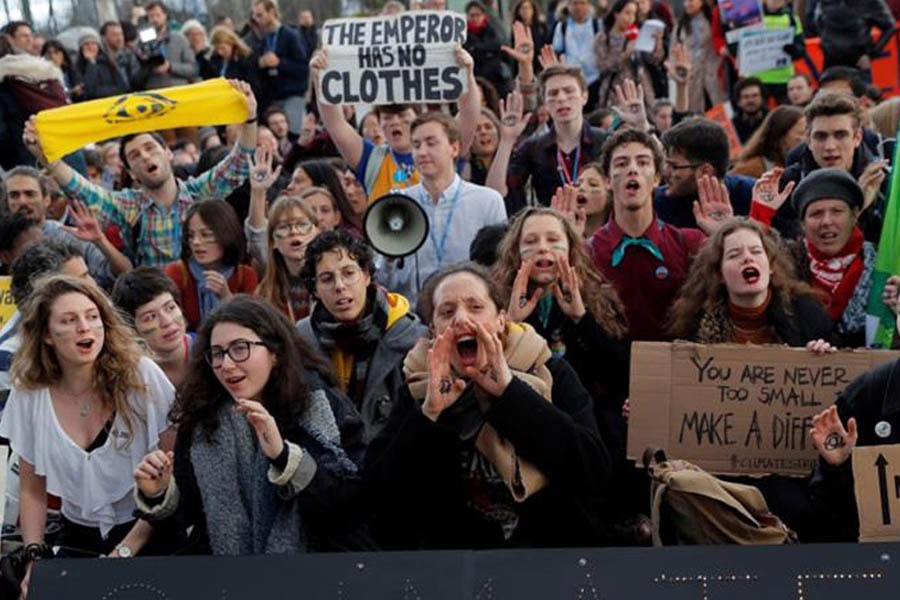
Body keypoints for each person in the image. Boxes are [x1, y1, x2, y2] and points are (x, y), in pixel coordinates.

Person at [364, 263, 613, 549]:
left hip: (549, 555)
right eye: (447, 312)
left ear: (501, 320)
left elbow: (594, 471)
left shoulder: (549, 371)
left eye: (475, 307)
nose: (461, 320)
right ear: (433, 331)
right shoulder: (419, 385)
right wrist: (430, 415)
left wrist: (511, 395)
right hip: (453, 567)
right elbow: (380, 503)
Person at [133, 295, 365, 554]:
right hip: (228, 581)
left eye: (240, 348)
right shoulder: (203, 416)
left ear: (274, 352)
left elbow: (350, 505)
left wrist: (284, 457)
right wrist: (159, 493)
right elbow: (188, 520)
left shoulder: (318, 405)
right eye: (218, 353)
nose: (227, 365)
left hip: (314, 573)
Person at [0, 275, 177, 595]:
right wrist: (34, 558)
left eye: (93, 316)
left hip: (148, 528)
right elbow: (32, 487)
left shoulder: (143, 376)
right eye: (69, 320)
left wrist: (124, 550)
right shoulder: (30, 393)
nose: (85, 327)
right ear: (47, 335)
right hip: (76, 533)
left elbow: (174, 475)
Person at [23, 79, 258, 267]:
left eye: (150, 148)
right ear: (131, 173)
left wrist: (249, 118)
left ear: (167, 154)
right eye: (135, 156)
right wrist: (49, 160)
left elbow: (239, 163)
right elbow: (84, 191)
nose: (145, 156)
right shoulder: (128, 206)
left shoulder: (199, 192)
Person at [493, 206, 629, 450]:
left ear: (570, 248)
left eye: (553, 239)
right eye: (531, 241)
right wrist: (511, 325)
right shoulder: (494, 303)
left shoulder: (599, 299)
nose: (543, 248)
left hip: (586, 430)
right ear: (516, 252)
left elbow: (619, 375)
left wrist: (582, 319)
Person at [588, 128, 732, 341]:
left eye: (643, 162)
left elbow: (733, 293)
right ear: (608, 180)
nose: (632, 170)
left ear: (656, 178)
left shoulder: (690, 244)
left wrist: (723, 237)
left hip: (673, 369)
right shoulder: (588, 252)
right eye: (621, 163)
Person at [298, 230, 427, 442]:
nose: (340, 286)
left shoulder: (411, 338)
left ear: (366, 275)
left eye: (349, 273)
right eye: (327, 278)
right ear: (315, 288)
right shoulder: (301, 341)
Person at [311, 46, 480, 201]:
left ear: (417, 118)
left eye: (401, 115)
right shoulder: (371, 158)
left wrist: (467, 74)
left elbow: (469, 114)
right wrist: (321, 79)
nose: (395, 122)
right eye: (387, 117)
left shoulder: (443, 150)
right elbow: (336, 124)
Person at [377, 113, 507, 307]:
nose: (422, 152)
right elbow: (383, 280)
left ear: (454, 148)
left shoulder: (487, 201)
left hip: (472, 316)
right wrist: (388, 258)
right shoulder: (396, 204)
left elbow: (501, 269)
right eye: (416, 145)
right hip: (412, 320)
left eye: (431, 143)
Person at [751, 168, 885, 347]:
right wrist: (761, 215)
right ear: (803, 225)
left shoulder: (881, 266)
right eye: (816, 214)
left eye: (837, 211)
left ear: (854, 216)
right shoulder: (785, 262)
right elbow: (753, 259)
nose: (826, 222)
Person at [668, 217, 832, 344]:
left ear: (770, 266)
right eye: (734, 255)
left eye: (756, 251)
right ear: (719, 274)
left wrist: (822, 356)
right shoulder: (695, 327)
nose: (747, 258)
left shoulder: (807, 317)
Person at [487, 65, 615, 215]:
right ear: (546, 103)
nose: (561, 99)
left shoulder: (607, 142)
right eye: (553, 94)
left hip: (599, 230)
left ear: (584, 96)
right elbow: (495, 193)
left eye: (569, 91)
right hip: (554, 230)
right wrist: (507, 141)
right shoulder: (534, 148)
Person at [775, 93, 889, 243]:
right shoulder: (788, 184)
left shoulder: (884, 182)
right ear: (808, 140)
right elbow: (787, 250)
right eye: (820, 136)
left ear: (857, 138)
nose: (830, 146)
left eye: (840, 135)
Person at [2, 166, 130, 288]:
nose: (22, 201)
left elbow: (124, 274)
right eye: (14, 195)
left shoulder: (73, 237)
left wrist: (100, 240)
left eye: (30, 194)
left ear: (46, 199)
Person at [164, 201, 258, 332]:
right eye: (191, 236)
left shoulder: (246, 274)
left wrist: (227, 298)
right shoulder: (176, 273)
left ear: (226, 235)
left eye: (206, 235)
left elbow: (255, 325)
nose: (196, 242)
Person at [655, 118, 756, 230]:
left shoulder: (752, 196)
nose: (665, 172)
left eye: (674, 167)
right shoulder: (653, 204)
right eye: (665, 163)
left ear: (705, 172)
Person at [111, 267, 193, 387]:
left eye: (170, 308)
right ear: (132, 329)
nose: (167, 321)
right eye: (150, 317)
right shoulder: (131, 376)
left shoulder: (207, 352)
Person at [247, 0, 310, 135]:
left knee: (294, 133)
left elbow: (303, 68)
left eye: (260, 15)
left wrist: (279, 63)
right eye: (255, 16)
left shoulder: (291, 35)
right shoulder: (264, 39)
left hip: (293, 95)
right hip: (274, 97)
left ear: (272, 12)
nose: (257, 19)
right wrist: (261, 64)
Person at [255, 192, 321, 321]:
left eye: (302, 224)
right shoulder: (264, 293)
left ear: (316, 232)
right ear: (273, 241)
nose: (294, 232)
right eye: (283, 227)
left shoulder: (332, 281)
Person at [593, 0, 664, 111]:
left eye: (634, 14)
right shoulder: (603, 38)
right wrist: (625, 53)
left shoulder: (638, 33)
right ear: (616, 14)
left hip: (642, 89)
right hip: (615, 91)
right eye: (627, 13)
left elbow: (654, 60)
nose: (631, 18)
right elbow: (602, 66)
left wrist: (657, 43)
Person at [809, 0, 896, 72]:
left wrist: (871, 54)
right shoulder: (825, 2)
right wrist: (825, 43)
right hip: (831, 63)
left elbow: (890, 26)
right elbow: (816, 22)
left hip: (858, 63)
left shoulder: (870, 2)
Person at [671, 0, 725, 113]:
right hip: (691, 75)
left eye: (691, 1)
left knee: (720, 108)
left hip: (713, 73)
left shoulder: (712, 19)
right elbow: (673, 52)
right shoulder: (680, 25)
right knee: (694, 110)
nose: (687, 4)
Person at [135, 1, 198, 91]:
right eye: (151, 16)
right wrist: (145, 64)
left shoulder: (179, 39)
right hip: (154, 92)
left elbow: (193, 69)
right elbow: (135, 78)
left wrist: (170, 67)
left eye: (158, 15)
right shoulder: (140, 43)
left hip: (178, 90)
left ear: (165, 16)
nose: (155, 19)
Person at [550, 0, 601, 108]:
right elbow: (556, 51)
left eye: (582, 3)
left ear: (588, 5)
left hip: (595, 79)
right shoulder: (562, 27)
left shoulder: (597, 25)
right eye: (574, 3)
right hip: (571, 79)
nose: (578, 7)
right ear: (568, 6)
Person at [731, 105, 806, 179]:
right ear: (781, 137)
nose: (806, 139)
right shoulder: (751, 169)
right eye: (801, 133)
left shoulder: (802, 164)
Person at [202, 26, 261, 101]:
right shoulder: (214, 60)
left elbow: (254, 85)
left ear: (232, 44)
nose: (220, 52)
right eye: (217, 49)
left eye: (223, 48)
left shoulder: (245, 60)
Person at [75, 32, 129, 101]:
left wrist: (98, 91)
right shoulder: (78, 68)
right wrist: (91, 63)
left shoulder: (108, 63)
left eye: (93, 44)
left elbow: (122, 87)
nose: (90, 47)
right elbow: (87, 91)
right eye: (86, 44)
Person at [510, 0, 550, 75]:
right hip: (522, 67)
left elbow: (546, 44)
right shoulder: (516, 28)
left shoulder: (541, 27)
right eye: (523, 8)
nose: (526, 11)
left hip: (539, 66)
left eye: (528, 8)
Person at [100, 20, 140, 91]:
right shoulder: (99, 59)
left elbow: (137, 78)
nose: (119, 38)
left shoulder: (129, 55)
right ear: (104, 38)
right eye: (114, 35)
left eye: (121, 34)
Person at [467, 108, 501, 186]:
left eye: (488, 127)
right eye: (477, 129)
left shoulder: (514, 161)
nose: (483, 132)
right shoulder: (462, 169)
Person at [731, 77, 768, 144]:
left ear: (762, 99)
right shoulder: (731, 127)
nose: (751, 100)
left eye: (755, 96)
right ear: (739, 102)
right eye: (746, 97)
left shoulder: (773, 122)